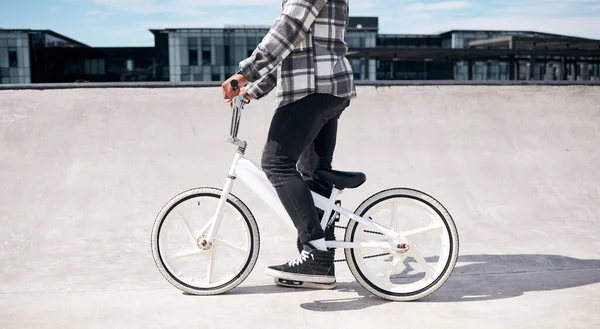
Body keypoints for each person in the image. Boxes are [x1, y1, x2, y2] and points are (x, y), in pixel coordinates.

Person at [221, 0, 356, 288]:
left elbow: (288, 29)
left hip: (311, 88)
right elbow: (295, 48)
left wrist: (246, 71)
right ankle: (320, 261)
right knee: (314, 174)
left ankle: (315, 253)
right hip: (329, 88)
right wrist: (253, 90)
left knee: (276, 162)